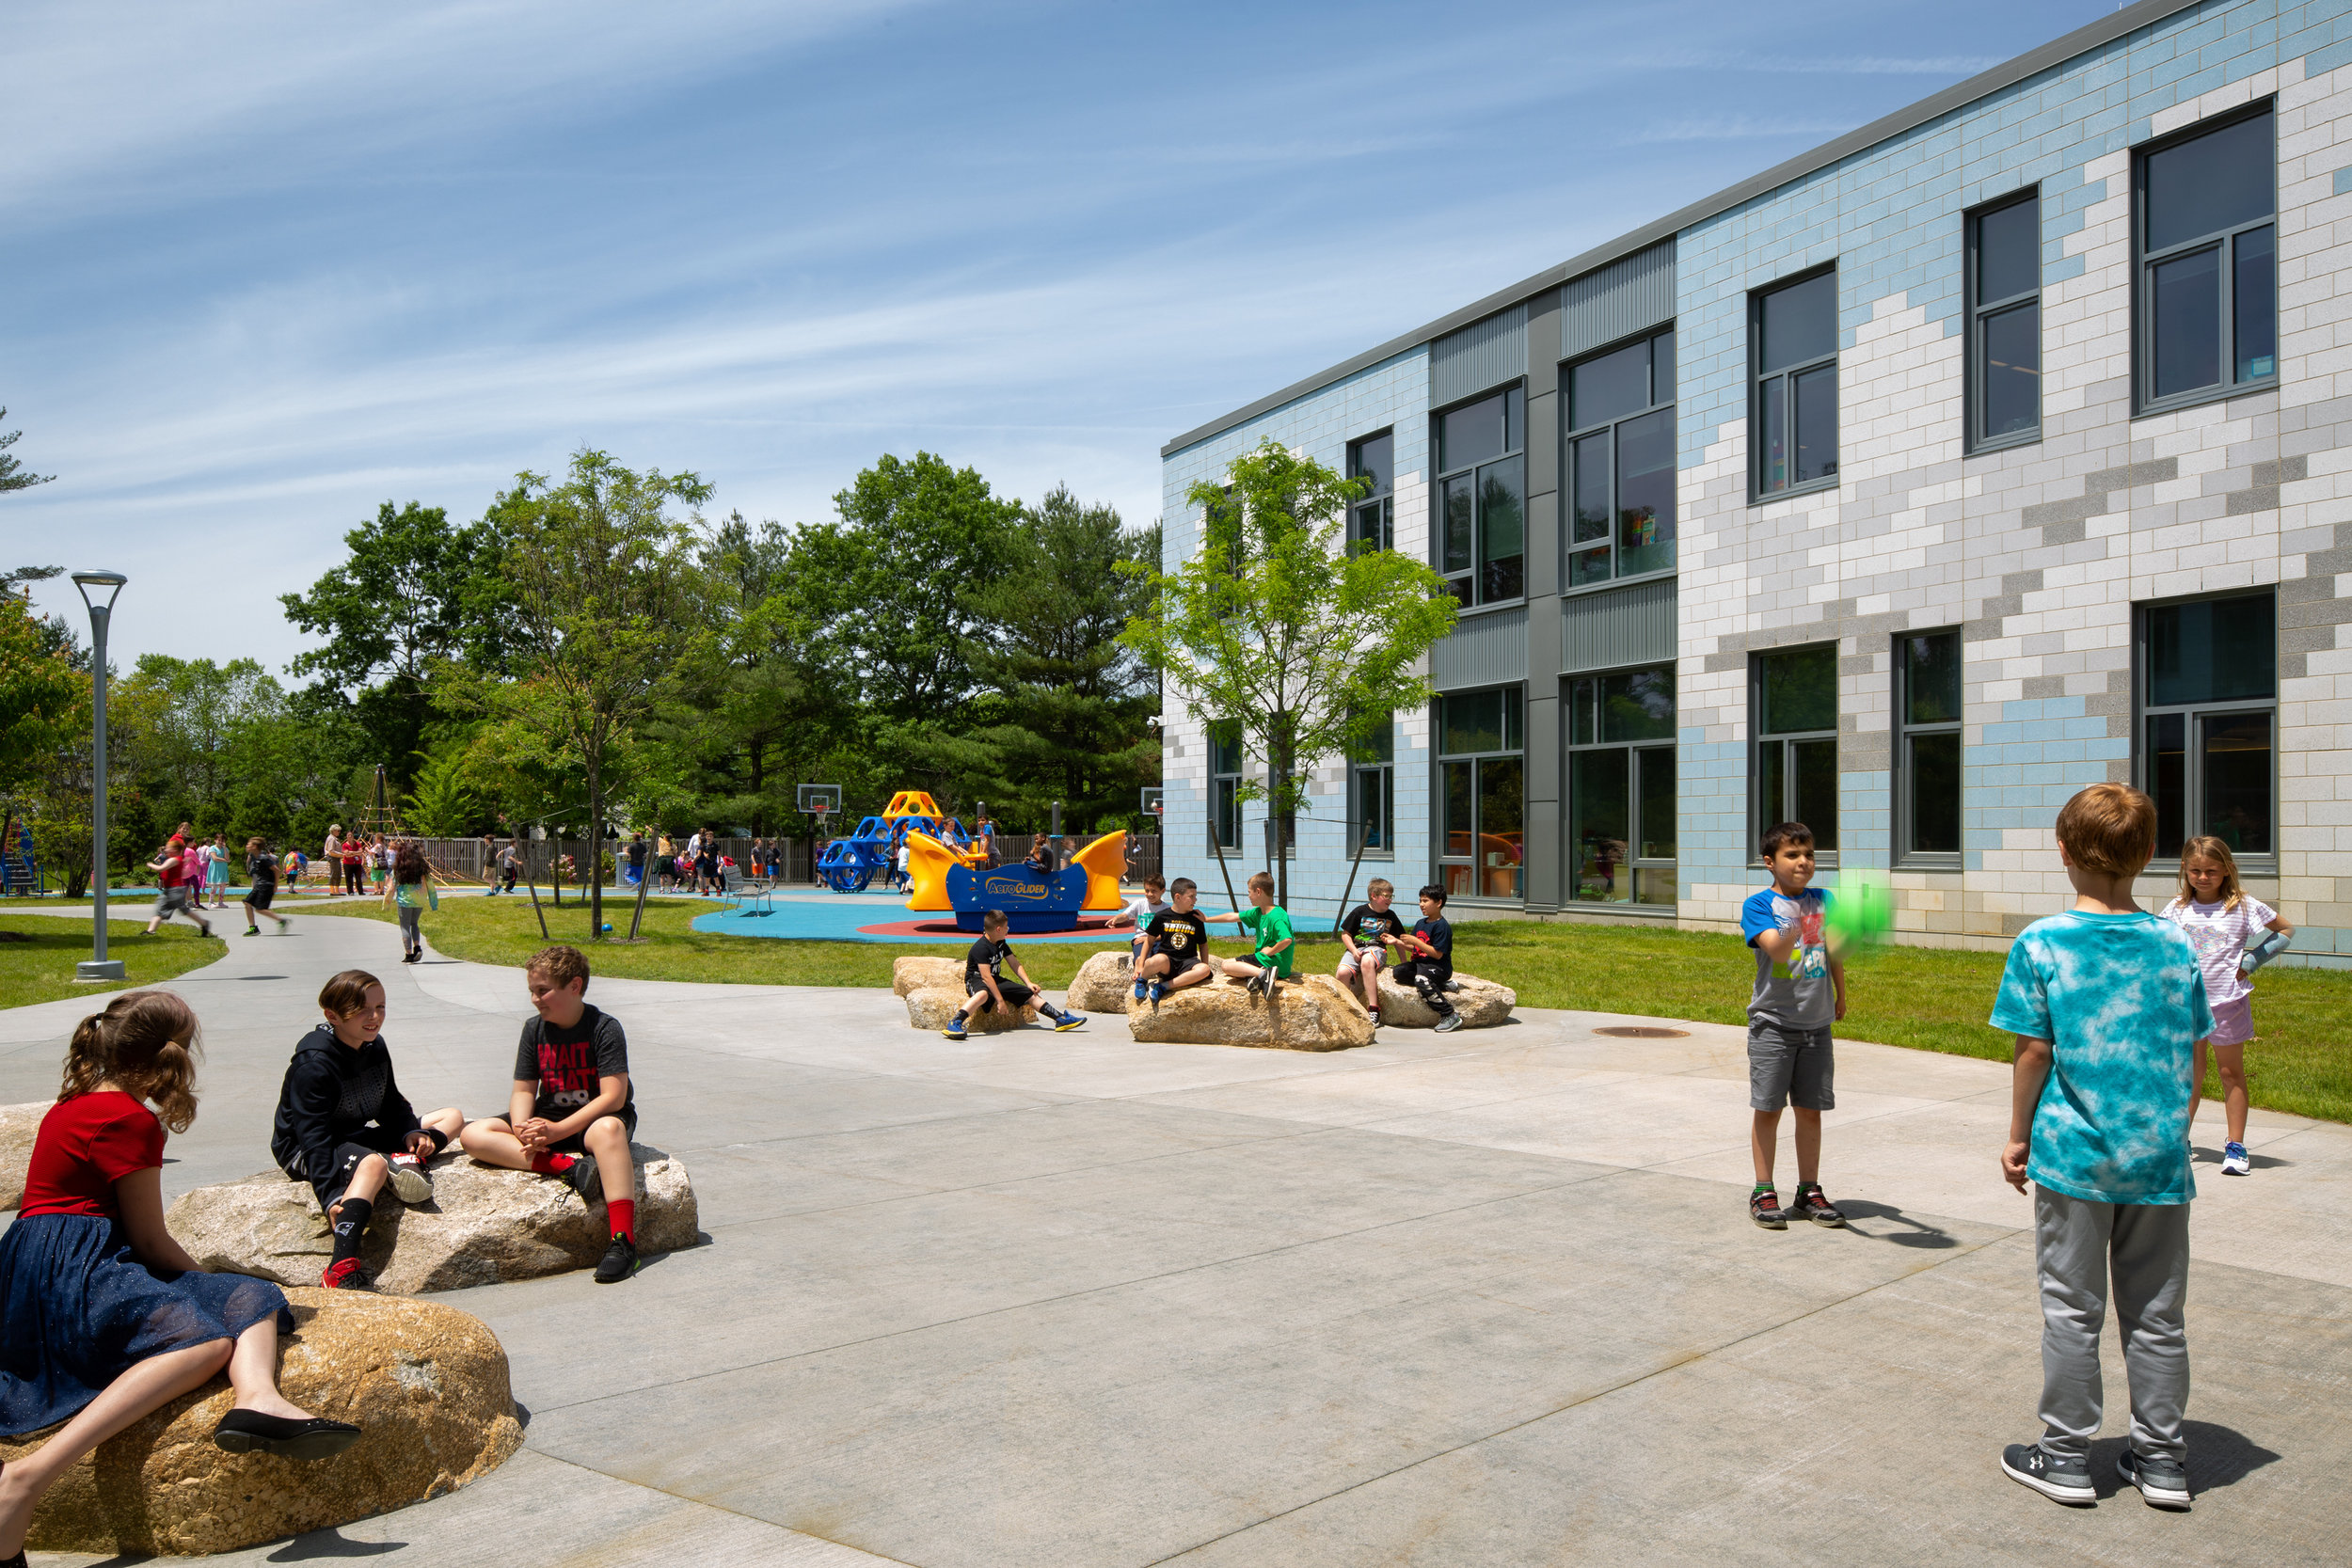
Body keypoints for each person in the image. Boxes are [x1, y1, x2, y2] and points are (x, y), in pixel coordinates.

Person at [0, 991, 359, 1561]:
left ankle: (258, 1399)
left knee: (248, 1292)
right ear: (178, 1053)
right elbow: (149, 1240)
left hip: (32, 1261)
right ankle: (28, 1479)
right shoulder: (129, 1119)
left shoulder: (73, 1103)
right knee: (209, 1337)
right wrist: (200, 1279)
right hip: (83, 1264)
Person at [1993, 783, 2209, 1512]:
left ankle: (2063, 1456)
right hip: (2158, 1159)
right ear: (2149, 855)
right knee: (2157, 1313)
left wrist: (2018, 1135)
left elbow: (2032, 1053)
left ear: (2062, 852)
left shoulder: (2043, 941)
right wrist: (2173, 1130)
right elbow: (2195, 1053)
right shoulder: (2176, 942)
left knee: (2071, 1306)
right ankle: (2161, 1459)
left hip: (2074, 1156)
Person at [456, 945, 644, 1284]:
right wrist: (522, 1127)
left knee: (609, 1132)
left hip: (590, 1120)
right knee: (472, 1134)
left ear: (574, 986)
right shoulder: (534, 1029)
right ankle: (569, 1168)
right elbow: (524, 1090)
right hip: (549, 1117)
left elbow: (614, 1096)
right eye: (532, 991)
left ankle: (622, 1242)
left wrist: (557, 1132)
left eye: (543, 991)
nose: (535, 999)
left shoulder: (604, 1027)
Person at [270, 971, 464, 1291]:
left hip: (353, 1135)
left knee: (452, 1117)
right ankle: (340, 1268)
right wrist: (331, 1195)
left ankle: (403, 1158)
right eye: (361, 1009)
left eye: (381, 1007)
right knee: (371, 1163)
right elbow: (314, 1137)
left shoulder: (374, 1046)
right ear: (332, 1016)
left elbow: (391, 1102)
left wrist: (408, 1133)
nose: (374, 1017)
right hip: (305, 1148)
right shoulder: (313, 1064)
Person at [2159, 834, 2294, 1179]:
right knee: (2190, 1076)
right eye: (2195, 871)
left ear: (2227, 871)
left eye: (2211, 871)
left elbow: (2286, 931)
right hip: (2187, 1005)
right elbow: (2160, 948)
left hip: (2227, 1003)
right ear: (2185, 870)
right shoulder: (2176, 909)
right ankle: (2179, 1141)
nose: (2203, 878)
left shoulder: (2243, 906)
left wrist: (2251, 962)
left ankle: (2235, 1146)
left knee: (2230, 1073)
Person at [1739, 822, 1846, 1230]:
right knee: (1768, 1109)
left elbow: (1834, 950)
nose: (1804, 862)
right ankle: (1763, 1190)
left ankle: (1809, 1190)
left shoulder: (1824, 899)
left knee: (1810, 1110)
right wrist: (1803, 922)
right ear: (1770, 862)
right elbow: (1779, 950)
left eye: (1809, 855)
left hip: (1816, 1024)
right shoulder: (1759, 905)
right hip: (1773, 1024)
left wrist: (1841, 993)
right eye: (1792, 855)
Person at [941, 910, 1086, 1038]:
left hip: (994, 979)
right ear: (998, 929)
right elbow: (985, 977)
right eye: (1006, 927)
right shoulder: (981, 948)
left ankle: (1060, 1019)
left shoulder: (1001, 943)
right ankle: (955, 1022)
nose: (1008, 929)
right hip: (976, 979)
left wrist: (1028, 983)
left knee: (1030, 994)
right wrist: (1000, 1001)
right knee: (983, 995)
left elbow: (1014, 964)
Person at [1384, 884, 1462, 1033]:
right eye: (1420, 900)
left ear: (1438, 903)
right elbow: (1416, 948)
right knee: (1399, 971)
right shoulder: (1421, 923)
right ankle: (1443, 985)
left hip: (1438, 967)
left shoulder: (1442, 926)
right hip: (1421, 964)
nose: (1421, 904)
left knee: (1421, 980)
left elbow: (1437, 954)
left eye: (1425, 901)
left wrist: (1416, 941)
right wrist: (1397, 942)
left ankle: (1450, 1015)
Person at [1134, 877, 1216, 1005]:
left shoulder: (1196, 918)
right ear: (1178, 897)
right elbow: (1149, 941)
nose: (1195, 900)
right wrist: (1140, 964)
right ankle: (1142, 981)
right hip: (1168, 962)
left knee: (1204, 969)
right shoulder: (1162, 916)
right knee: (1155, 960)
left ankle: (1163, 987)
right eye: (1191, 896)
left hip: (1188, 963)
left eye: (1195, 896)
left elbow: (1203, 945)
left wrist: (1206, 967)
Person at [1337, 879, 1407, 1021]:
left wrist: (1404, 963)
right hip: (1356, 948)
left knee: (1367, 962)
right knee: (1342, 972)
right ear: (1374, 896)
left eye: (1391, 896)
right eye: (1386, 896)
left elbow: (1399, 940)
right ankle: (1342, 1007)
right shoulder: (1359, 912)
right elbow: (1345, 934)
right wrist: (1354, 951)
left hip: (1376, 948)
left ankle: (1373, 1008)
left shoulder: (1391, 916)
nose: (1390, 899)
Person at [1216, 871, 1295, 997]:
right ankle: (1258, 978)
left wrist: (1271, 951)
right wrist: (1207, 919)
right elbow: (1232, 916)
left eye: (1249, 892)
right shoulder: (1259, 912)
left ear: (1258, 891)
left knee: (1226, 965)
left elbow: (1286, 939)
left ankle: (1263, 974)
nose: (1248, 896)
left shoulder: (1276, 916)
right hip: (1274, 965)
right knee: (1238, 968)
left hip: (1271, 961)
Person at [142, 832, 213, 939]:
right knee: (167, 909)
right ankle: (151, 930)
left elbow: (161, 869)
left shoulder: (174, 860)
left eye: (168, 848)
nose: (166, 849)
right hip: (172, 890)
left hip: (174, 891)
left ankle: (204, 923)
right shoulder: (178, 859)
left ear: (175, 850)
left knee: (173, 910)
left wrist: (150, 865)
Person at [381, 843, 438, 964]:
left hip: (405, 901)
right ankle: (417, 947)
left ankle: (409, 954)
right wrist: (434, 903)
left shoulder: (399, 869)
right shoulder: (423, 869)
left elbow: (391, 888)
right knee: (414, 923)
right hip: (420, 900)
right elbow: (431, 887)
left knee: (405, 926)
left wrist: (386, 904)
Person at [1109, 874, 1171, 964]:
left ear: (1163, 891)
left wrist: (1148, 939)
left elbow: (1167, 933)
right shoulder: (1139, 904)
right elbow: (1125, 915)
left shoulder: (1167, 909)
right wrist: (1115, 919)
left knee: (1161, 960)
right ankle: (1140, 976)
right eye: (1147, 891)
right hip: (1140, 939)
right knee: (1141, 959)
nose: (1150, 894)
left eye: (1153, 891)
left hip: (1158, 940)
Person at [242, 837, 289, 935]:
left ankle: (281, 921)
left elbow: (276, 870)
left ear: (254, 846)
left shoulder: (264, 858)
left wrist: (275, 885)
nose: (247, 846)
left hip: (266, 885)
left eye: (248, 844)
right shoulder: (257, 857)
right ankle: (253, 928)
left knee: (260, 909)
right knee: (247, 903)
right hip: (259, 884)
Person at [202, 832, 232, 910]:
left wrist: (225, 849)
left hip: (223, 869)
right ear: (215, 840)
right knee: (214, 886)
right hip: (215, 869)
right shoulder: (212, 848)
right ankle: (210, 902)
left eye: (222, 840)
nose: (220, 842)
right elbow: (215, 858)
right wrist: (224, 860)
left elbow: (227, 857)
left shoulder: (225, 849)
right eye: (219, 840)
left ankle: (221, 902)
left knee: (223, 886)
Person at [340, 832, 365, 897]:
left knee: (358, 878)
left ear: (353, 836)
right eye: (348, 835)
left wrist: (351, 853)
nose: (350, 837)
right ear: (347, 837)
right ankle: (350, 891)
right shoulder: (344, 845)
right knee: (349, 878)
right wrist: (355, 853)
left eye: (351, 835)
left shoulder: (358, 844)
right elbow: (347, 854)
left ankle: (360, 891)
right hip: (348, 863)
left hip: (357, 863)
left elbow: (360, 853)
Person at [323, 825, 345, 896]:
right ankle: (332, 891)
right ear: (333, 831)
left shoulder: (334, 838)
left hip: (336, 858)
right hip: (333, 858)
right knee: (334, 873)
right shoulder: (331, 839)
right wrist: (342, 855)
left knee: (338, 874)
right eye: (338, 831)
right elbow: (331, 851)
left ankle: (337, 890)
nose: (339, 832)